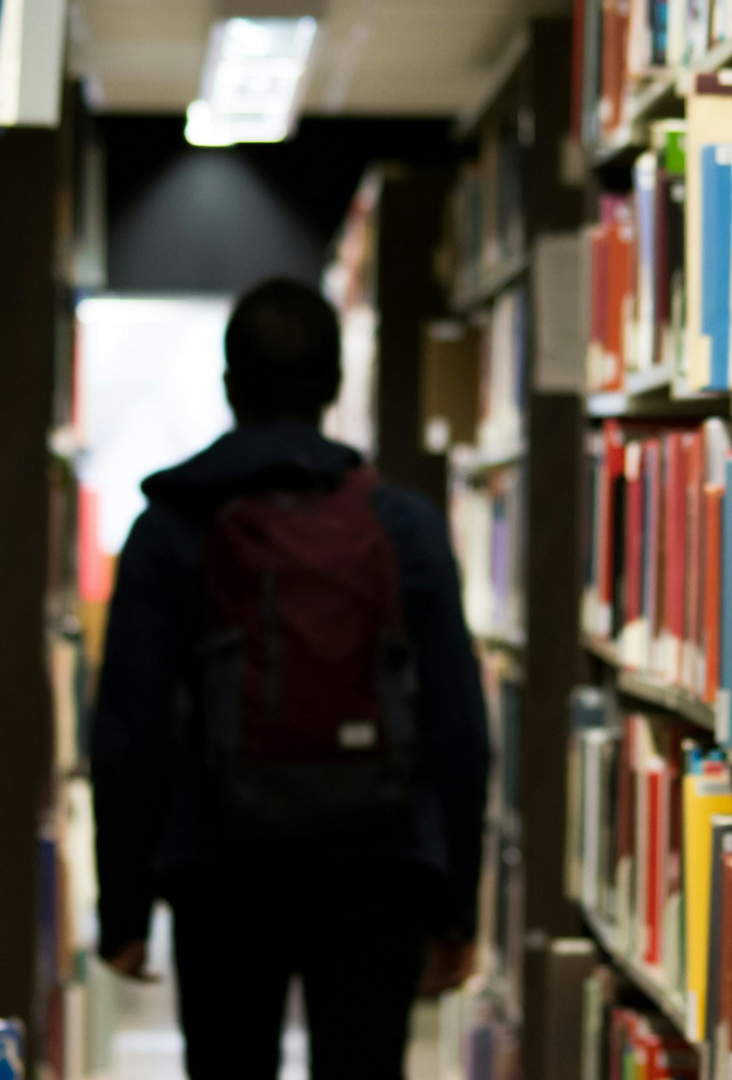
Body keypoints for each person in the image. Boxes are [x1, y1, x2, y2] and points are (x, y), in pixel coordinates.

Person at [91, 278, 491, 1078]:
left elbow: (132, 727)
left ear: (231, 385)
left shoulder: (171, 524)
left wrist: (124, 907)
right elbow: (458, 723)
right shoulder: (402, 523)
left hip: (221, 866)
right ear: (336, 385)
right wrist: (455, 906)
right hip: (379, 866)